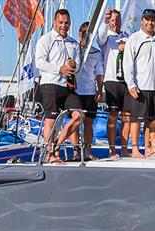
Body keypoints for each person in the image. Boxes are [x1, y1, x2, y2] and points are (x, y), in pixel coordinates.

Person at [123, 8, 155, 159]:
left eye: (152, 19)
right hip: (141, 86)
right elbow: (128, 63)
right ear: (142, 21)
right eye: (147, 19)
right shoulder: (134, 38)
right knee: (137, 119)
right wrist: (131, 84)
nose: (150, 22)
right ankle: (136, 149)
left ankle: (153, 148)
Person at [35, 8, 81, 163]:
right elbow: (40, 62)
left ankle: (57, 146)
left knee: (78, 115)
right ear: (55, 22)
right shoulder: (46, 39)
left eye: (66, 23)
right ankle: (50, 155)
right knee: (51, 120)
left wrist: (74, 65)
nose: (64, 25)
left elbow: (79, 65)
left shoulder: (74, 43)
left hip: (68, 86)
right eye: (61, 22)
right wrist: (60, 68)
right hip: (51, 83)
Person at [56, 21, 104, 161]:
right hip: (75, 91)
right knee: (76, 121)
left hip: (90, 91)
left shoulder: (96, 53)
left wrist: (99, 89)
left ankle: (87, 150)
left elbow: (99, 73)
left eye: (88, 34)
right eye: (83, 33)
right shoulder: (73, 48)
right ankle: (76, 150)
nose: (85, 36)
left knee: (89, 123)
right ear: (79, 33)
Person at [97, 8, 130, 158]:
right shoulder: (106, 38)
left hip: (126, 80)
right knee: (113, 115)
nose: (115, 23)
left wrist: (127, 47)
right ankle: (112, 150)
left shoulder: (127, 36)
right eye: (112, 20)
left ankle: (124, 148)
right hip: (111, 80)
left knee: (127, 116)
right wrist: (104, 21)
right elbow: (100, 36)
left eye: (117, 20)